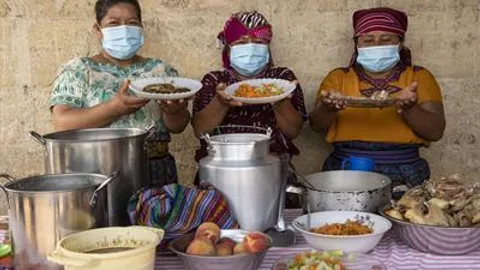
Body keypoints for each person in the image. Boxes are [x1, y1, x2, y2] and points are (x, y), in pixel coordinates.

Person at [49, 0, 190, 186]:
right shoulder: (80, 70)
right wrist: (113, 108)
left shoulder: (160, 71)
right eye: (113, 23)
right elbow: (62, 122)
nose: (124, 30)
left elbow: (177, 126)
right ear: (98, 29)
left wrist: (175, 112)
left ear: (141, 27)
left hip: (156, 170)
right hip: (99, 172)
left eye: (132, 23)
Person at [309, 7, 446, 196]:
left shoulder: (418, 77)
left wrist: (409, 109)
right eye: (368, 40)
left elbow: (435, 131)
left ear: (400, 43)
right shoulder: (338, 78)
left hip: (404, 171)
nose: (376, 45)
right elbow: (316, 126)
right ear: (357, 44)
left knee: (402, 221)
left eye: (386, 40)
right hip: (346, 170)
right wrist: (328, 108)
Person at [191, 11, 307, 206]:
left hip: (274, 168)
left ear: (268, 47)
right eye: (241, 43)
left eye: (259, 42)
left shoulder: (282, 78)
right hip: (221, 170)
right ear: (228, 47)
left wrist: (279, 99)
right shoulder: (214, 81)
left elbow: (293, 131)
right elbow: (200, 130)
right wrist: (220, 103)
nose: (251, 48)